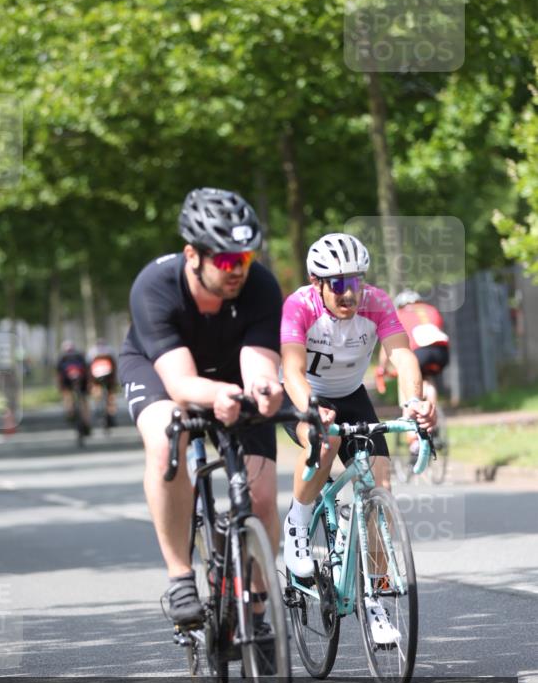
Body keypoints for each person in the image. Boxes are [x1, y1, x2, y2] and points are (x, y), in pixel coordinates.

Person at [118, 187, 284, 626]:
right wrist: (217, 396)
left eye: (246, 258)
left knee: (263, 497)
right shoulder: (155, 286)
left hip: (230, 372)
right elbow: (180, 383)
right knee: (169, 433)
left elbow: (259, 367)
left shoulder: (261, 287)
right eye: (227, 261)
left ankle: (256, 608)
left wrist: (264, 390)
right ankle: (179, 577)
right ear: (193, 255)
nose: (239, 271)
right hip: (160, 370)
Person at [281, 233, 436, 580]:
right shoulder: (300, 305)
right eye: (337, 284)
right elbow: (291, 370)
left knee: (379, 489)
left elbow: (403, 357)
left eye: (355, 282)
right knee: (326, 441)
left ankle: (378, 598)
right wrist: (311, 408)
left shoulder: (376, 303)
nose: (348, 293)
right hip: (304, 393)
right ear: (315, 282)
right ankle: (298, 524)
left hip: (352, 395)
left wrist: (413, 402)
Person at [377, 291, 450, 431]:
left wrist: (382, 367)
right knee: (428, 379)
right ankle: (432, 420)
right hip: (442, 352)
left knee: (406, 375)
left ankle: (411, 429)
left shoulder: (399, 313)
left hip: (420, 351)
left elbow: (386, 346)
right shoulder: (431, 309)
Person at [56, 340, 91, 431]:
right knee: (83, 400)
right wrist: (88, 384)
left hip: (67, 380)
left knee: (67, 395)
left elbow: (59, 375)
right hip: (81, 379)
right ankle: (86, 421)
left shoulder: (62, 358)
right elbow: (87, 371)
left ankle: (70, 411)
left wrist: (60, 387)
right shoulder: (80, 356)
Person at [86, 339, 118, 430]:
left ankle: (97, 407)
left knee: (97, 390)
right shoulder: (110, 350)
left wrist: (90, 382)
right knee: (111, 394)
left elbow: (89, 368)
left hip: (96, 377)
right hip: (109, 376)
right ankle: (112, 413)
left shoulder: (92, 352)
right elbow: (114, 365)